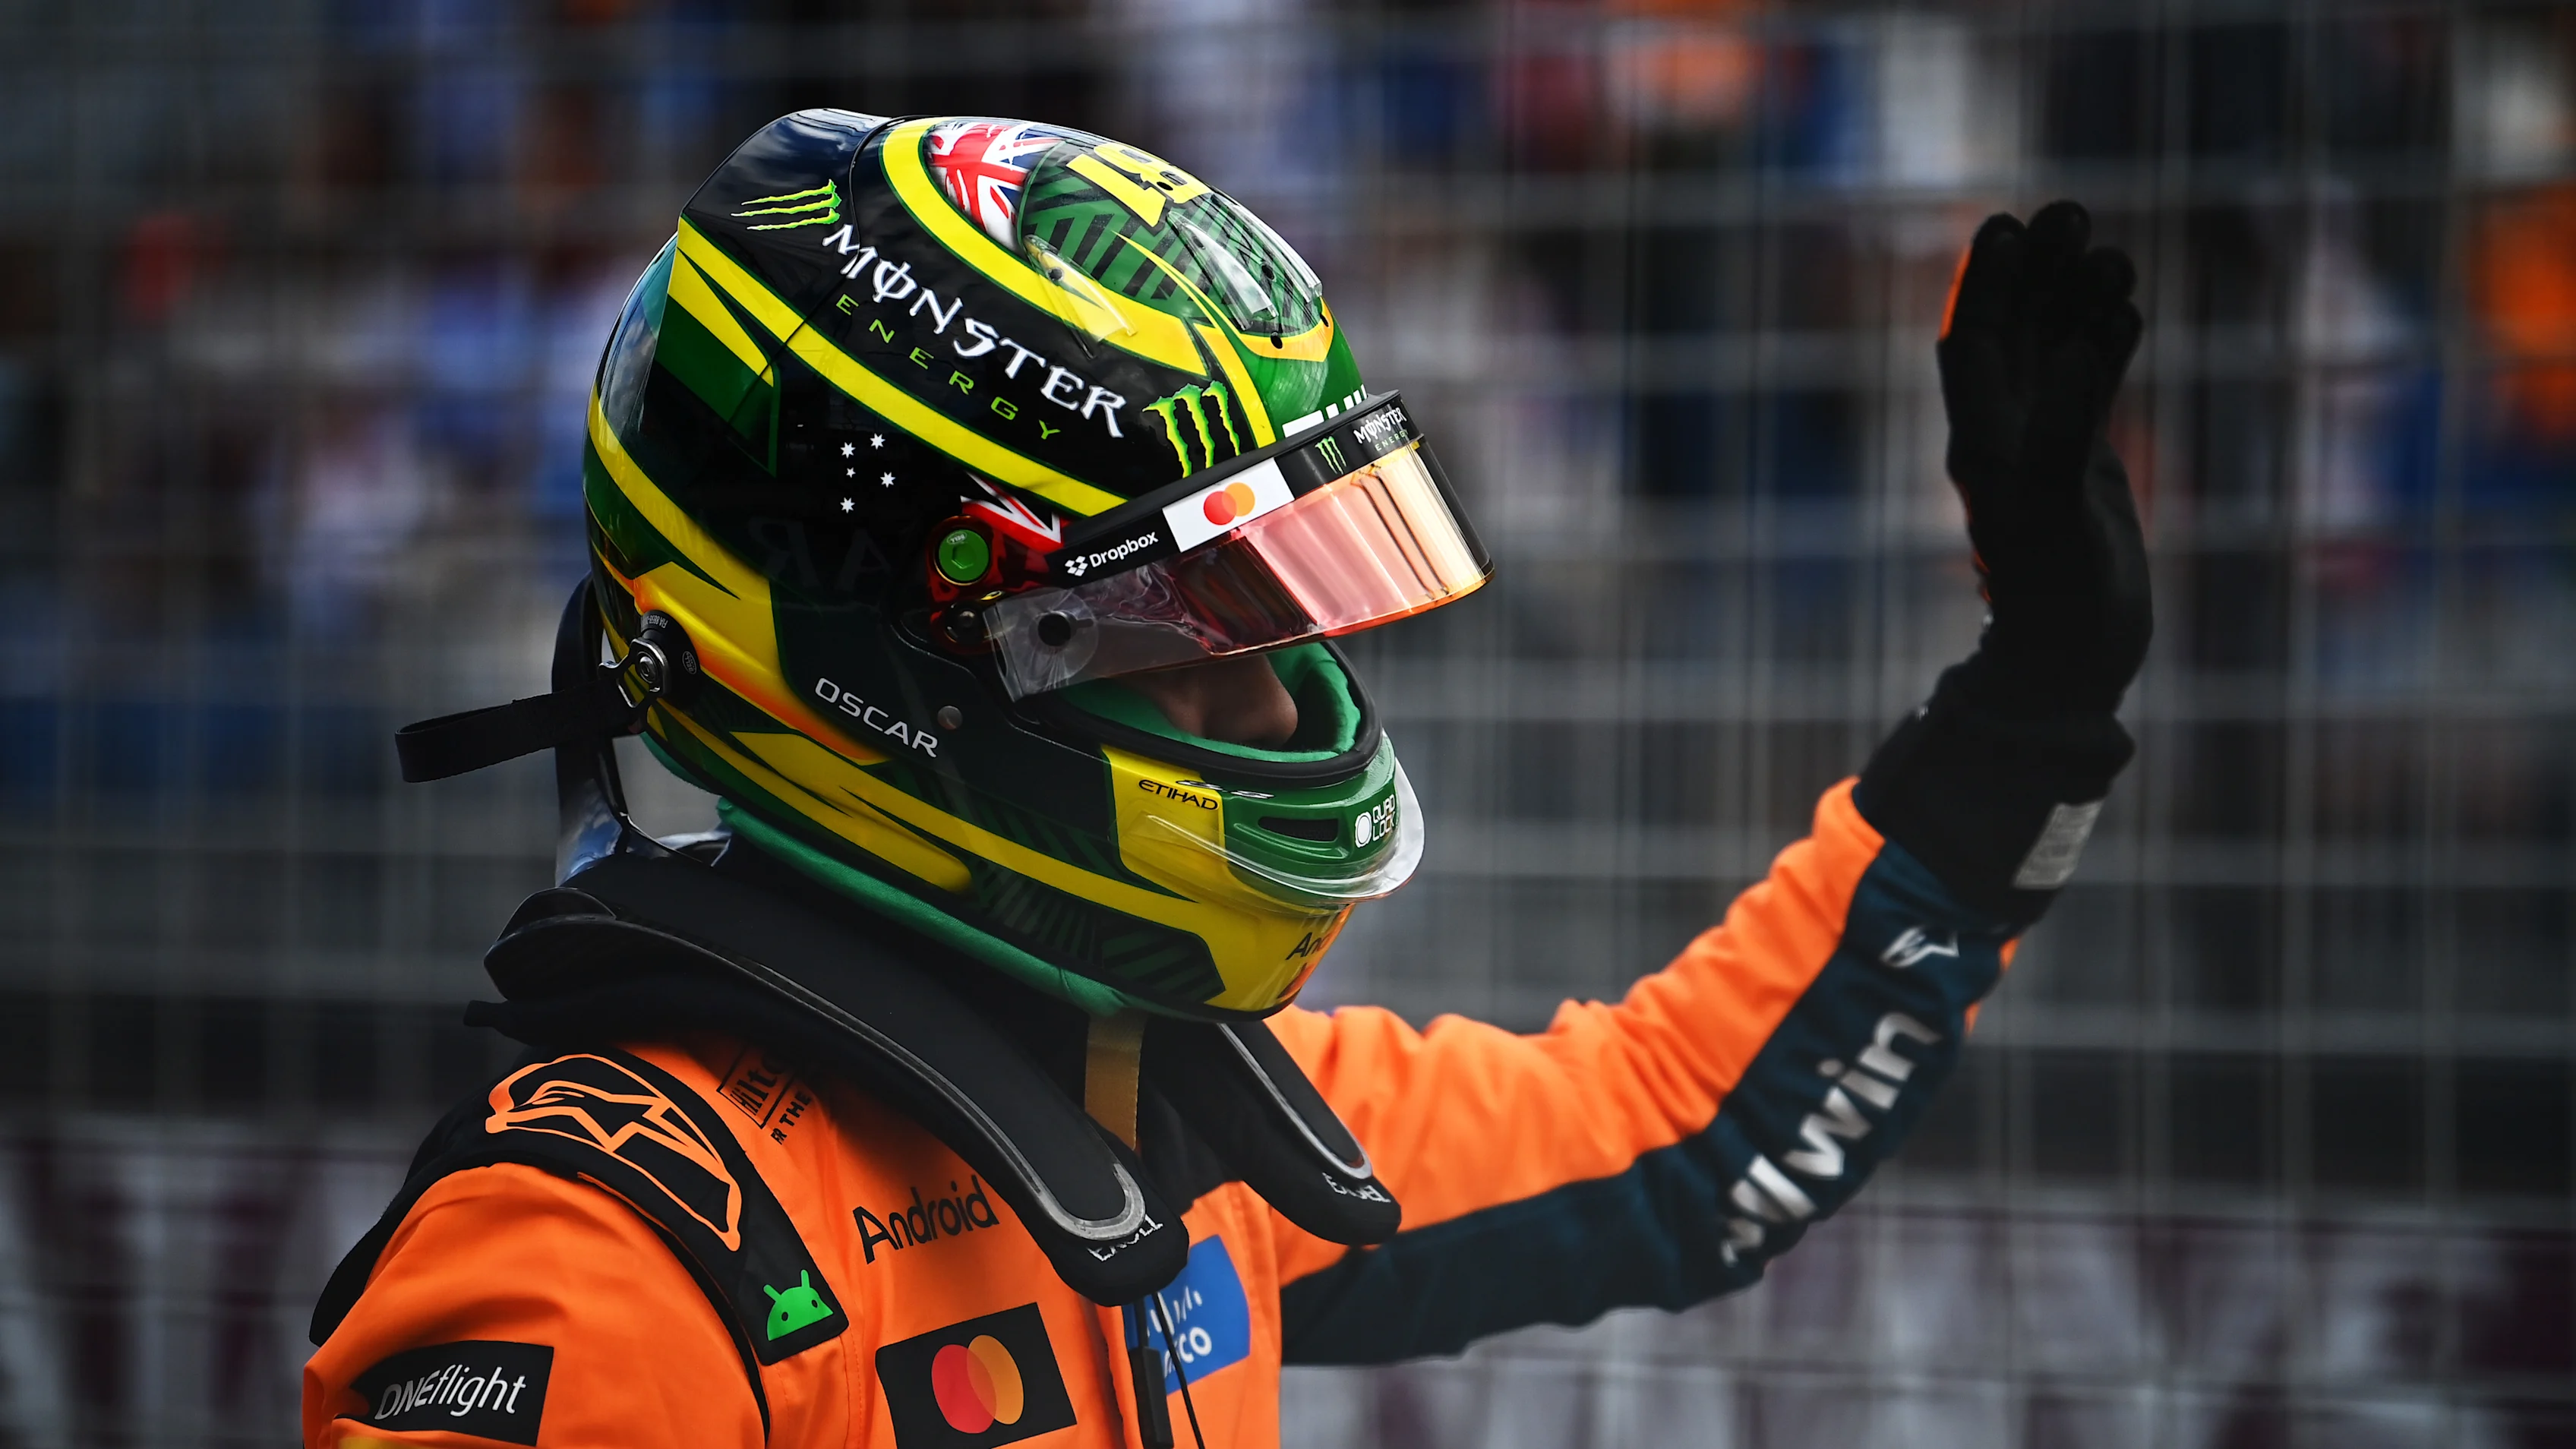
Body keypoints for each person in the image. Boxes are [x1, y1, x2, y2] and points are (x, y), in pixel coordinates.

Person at [303, 109, 2146, 1449]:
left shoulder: (1176, 1127)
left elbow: (1696, 1140)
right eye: (1187, 635)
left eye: (1283, 619)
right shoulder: (608, 1267)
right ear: (893, 676)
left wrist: (2036, 694)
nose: (1285, 709)